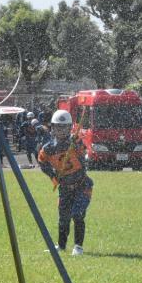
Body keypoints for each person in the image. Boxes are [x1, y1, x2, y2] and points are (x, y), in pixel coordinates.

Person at [38, 109, 93, 256]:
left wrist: (76, 145)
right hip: (65, 188)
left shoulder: (76, 142)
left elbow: (84, 153)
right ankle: (61, 246)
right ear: (53, 128)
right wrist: (52, 176)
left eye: (64, 127)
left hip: (82, 185)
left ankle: (78, 247)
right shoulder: (48, 148)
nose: (61, 131)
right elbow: (41, 161)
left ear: (70, 128)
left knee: (78, 214)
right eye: (58, 127)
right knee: (63, 218)